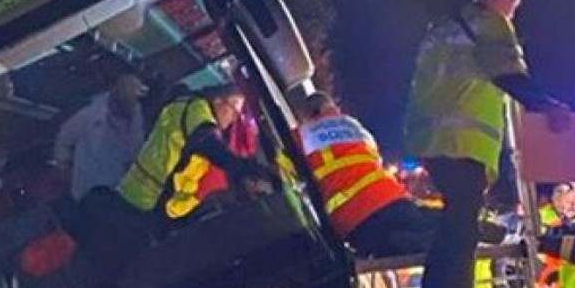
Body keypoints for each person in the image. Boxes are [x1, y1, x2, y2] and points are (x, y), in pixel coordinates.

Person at [404, 0, 572, 288]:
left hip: (428, 139)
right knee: (463, 235)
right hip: (462, 143)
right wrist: (547, 106)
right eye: (514, 5)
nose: (513, 13)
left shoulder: (442, 28)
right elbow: (509, 74)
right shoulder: (491, 24)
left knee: (455, 223)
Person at [296, 92, 439, 257]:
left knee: (385, 246)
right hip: (391, 198)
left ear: (308, 115)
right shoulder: (353, 126)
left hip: (355, 219)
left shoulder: (301, 135)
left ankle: (401, 243)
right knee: (423, 224)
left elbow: (281, 168)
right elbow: (374, 157)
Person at [117, 83, 274, 224]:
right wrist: (252, 169)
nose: (233, 120)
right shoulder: (197, 111)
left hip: (142, 197)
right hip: (145, 202)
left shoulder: (187, 106)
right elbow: (214, 149)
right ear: (218, 101)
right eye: (234, 112)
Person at [53, 71, 148, 201]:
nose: (127, 106)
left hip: (115, 192)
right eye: (123, 100)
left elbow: (136, 151)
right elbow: (64, 139)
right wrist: (62, 166)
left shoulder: (136, 120)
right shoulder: (90, 114)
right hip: (85, 188)